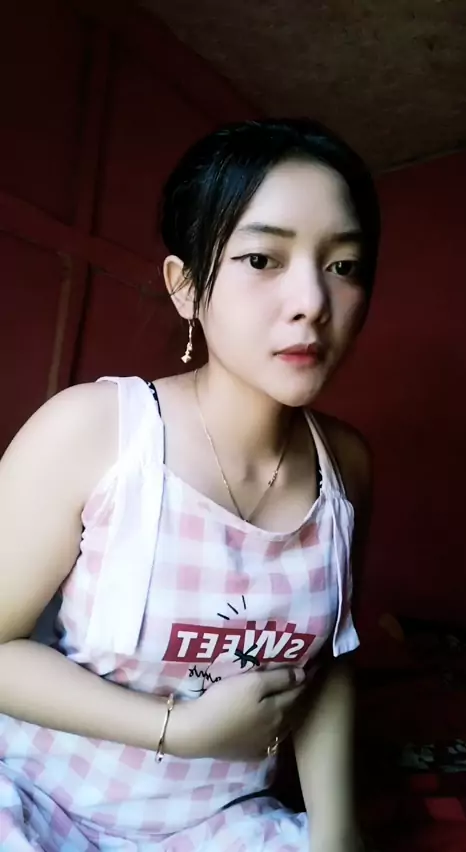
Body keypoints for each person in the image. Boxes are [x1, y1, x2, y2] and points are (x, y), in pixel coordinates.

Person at [0, 118, 380, 851]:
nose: (312, 300)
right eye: (262, 258)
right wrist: (176, 729)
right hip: (33, 798)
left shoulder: (346, 467)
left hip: (218, 825)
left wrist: (337, 835)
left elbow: (328, 661)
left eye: (344, 265)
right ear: (185, 286)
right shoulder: (94, 431)